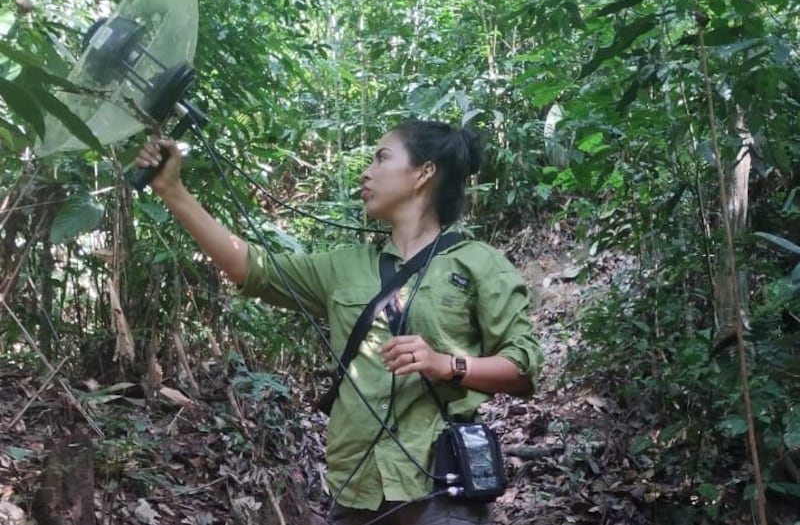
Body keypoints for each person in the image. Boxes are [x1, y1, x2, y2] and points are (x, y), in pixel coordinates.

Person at [136, 119, 543, 525]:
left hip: (442, 489)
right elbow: (250, 267)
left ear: (424, 172)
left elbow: (523, 369)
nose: (367, 171)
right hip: (357, 490)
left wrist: (446, 364)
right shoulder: (343, 267)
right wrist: (172, 190)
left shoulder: (478, 263)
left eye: (382, 157)